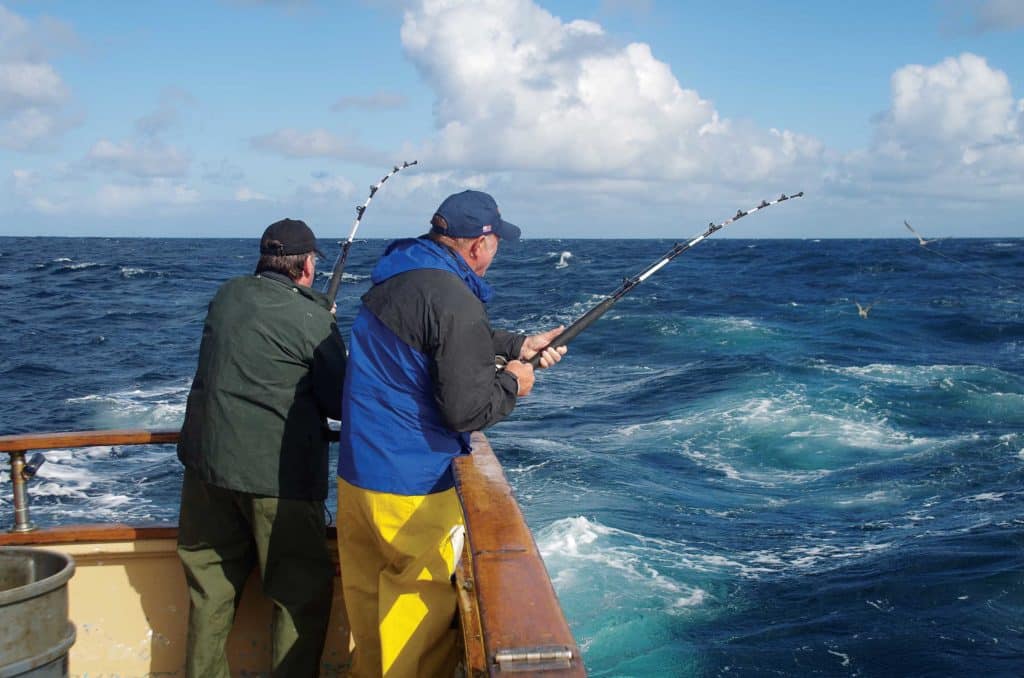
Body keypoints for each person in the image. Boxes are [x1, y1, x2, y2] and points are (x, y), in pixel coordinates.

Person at [335, 190, 566, 677]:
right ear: (478, 245)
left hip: (357, 480)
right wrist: (514, 382)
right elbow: (467, 410)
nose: (497, 251)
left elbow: (433, 338)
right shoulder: (455, 300)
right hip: (411, 488)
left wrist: (517, 344)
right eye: (496, 241)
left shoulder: (398, 275)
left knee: (369, 615)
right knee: (414, 633)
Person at [176, 218, 347, 678]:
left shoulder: (227, 296)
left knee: (209, 590)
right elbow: (339, 401)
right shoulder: (311, 318)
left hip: (205, 468)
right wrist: (324, 323)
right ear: (307, 266)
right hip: (276, 478)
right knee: (298, 596)